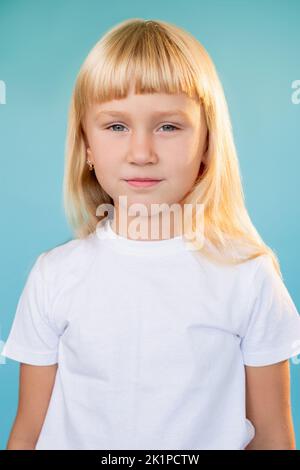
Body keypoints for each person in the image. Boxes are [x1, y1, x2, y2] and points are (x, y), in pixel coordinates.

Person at [2, 18, 300, 450]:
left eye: (169, 127)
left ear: (207, 145)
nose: (141, 154)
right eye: (116, 126)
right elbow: (28, 430)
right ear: (86, 145)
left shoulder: (249, 276)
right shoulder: (54, 276)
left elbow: (273, 436)